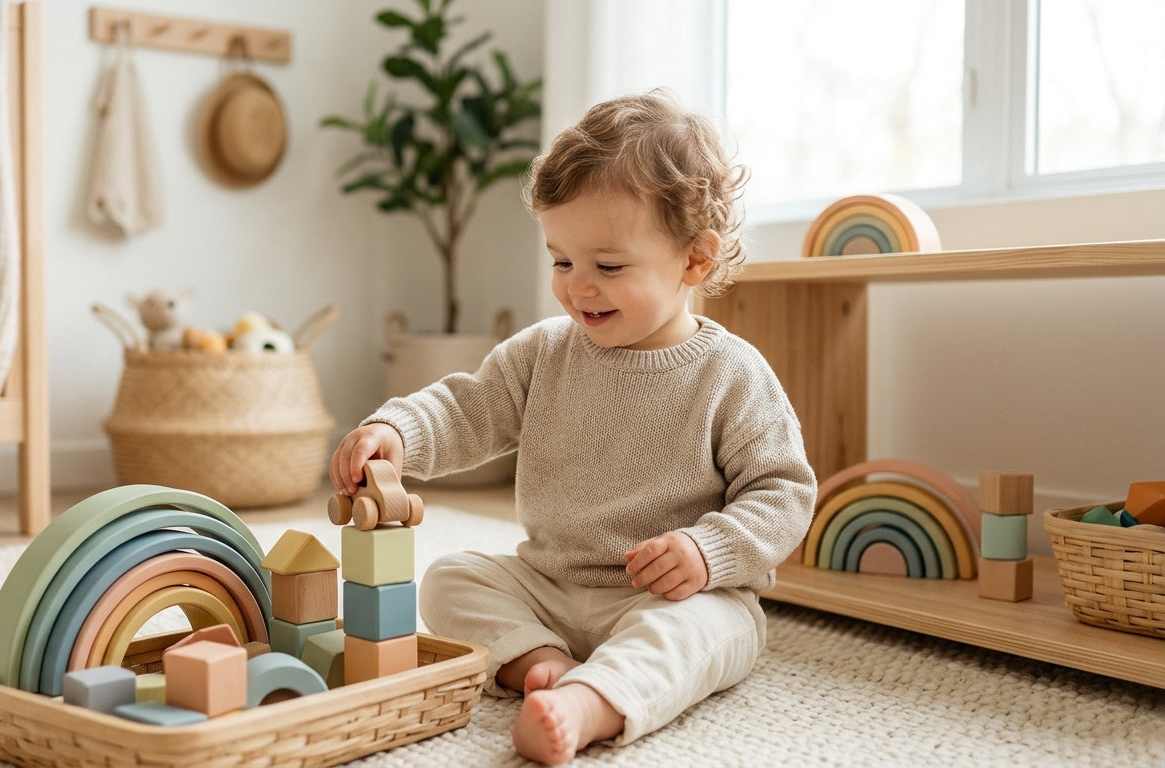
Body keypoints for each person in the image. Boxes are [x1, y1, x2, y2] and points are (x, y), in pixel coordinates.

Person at [328, 90, 817, 765]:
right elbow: (470, 406)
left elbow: (783, 491)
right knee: (449, 576)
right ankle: (541, 661)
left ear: (695, 261)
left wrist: (712, 551)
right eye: (561, 261)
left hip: (669, 597)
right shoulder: (544, 352)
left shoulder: (731, 373)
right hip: (549, 585)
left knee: (715, 630)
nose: (577, 287)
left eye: (608, 266)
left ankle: (590, 703)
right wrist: (400, 433)